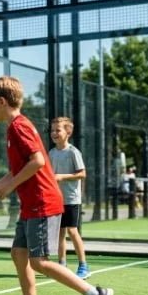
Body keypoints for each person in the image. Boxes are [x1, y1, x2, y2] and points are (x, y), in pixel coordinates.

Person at [0, 75, 113, 295]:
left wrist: (12, 185)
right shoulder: (13, 128)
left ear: (2, 101)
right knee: (19, 253)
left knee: (39, 261)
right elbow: (17, 169)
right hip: (31, 205)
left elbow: (39, 161)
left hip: (42, 202)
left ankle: (95, 294)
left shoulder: (19, 126)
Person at [49, 117, 90, 279]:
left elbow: (82, 173)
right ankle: (62, 264)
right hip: (57, 199)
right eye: (52, 130)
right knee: (60, 232)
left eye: (57, 130)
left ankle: (83, 265)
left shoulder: (73, 152)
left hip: (72, 199)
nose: (54, 133)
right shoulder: (51, 153)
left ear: (68, 132)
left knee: (72, 231)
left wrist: (62, 177)